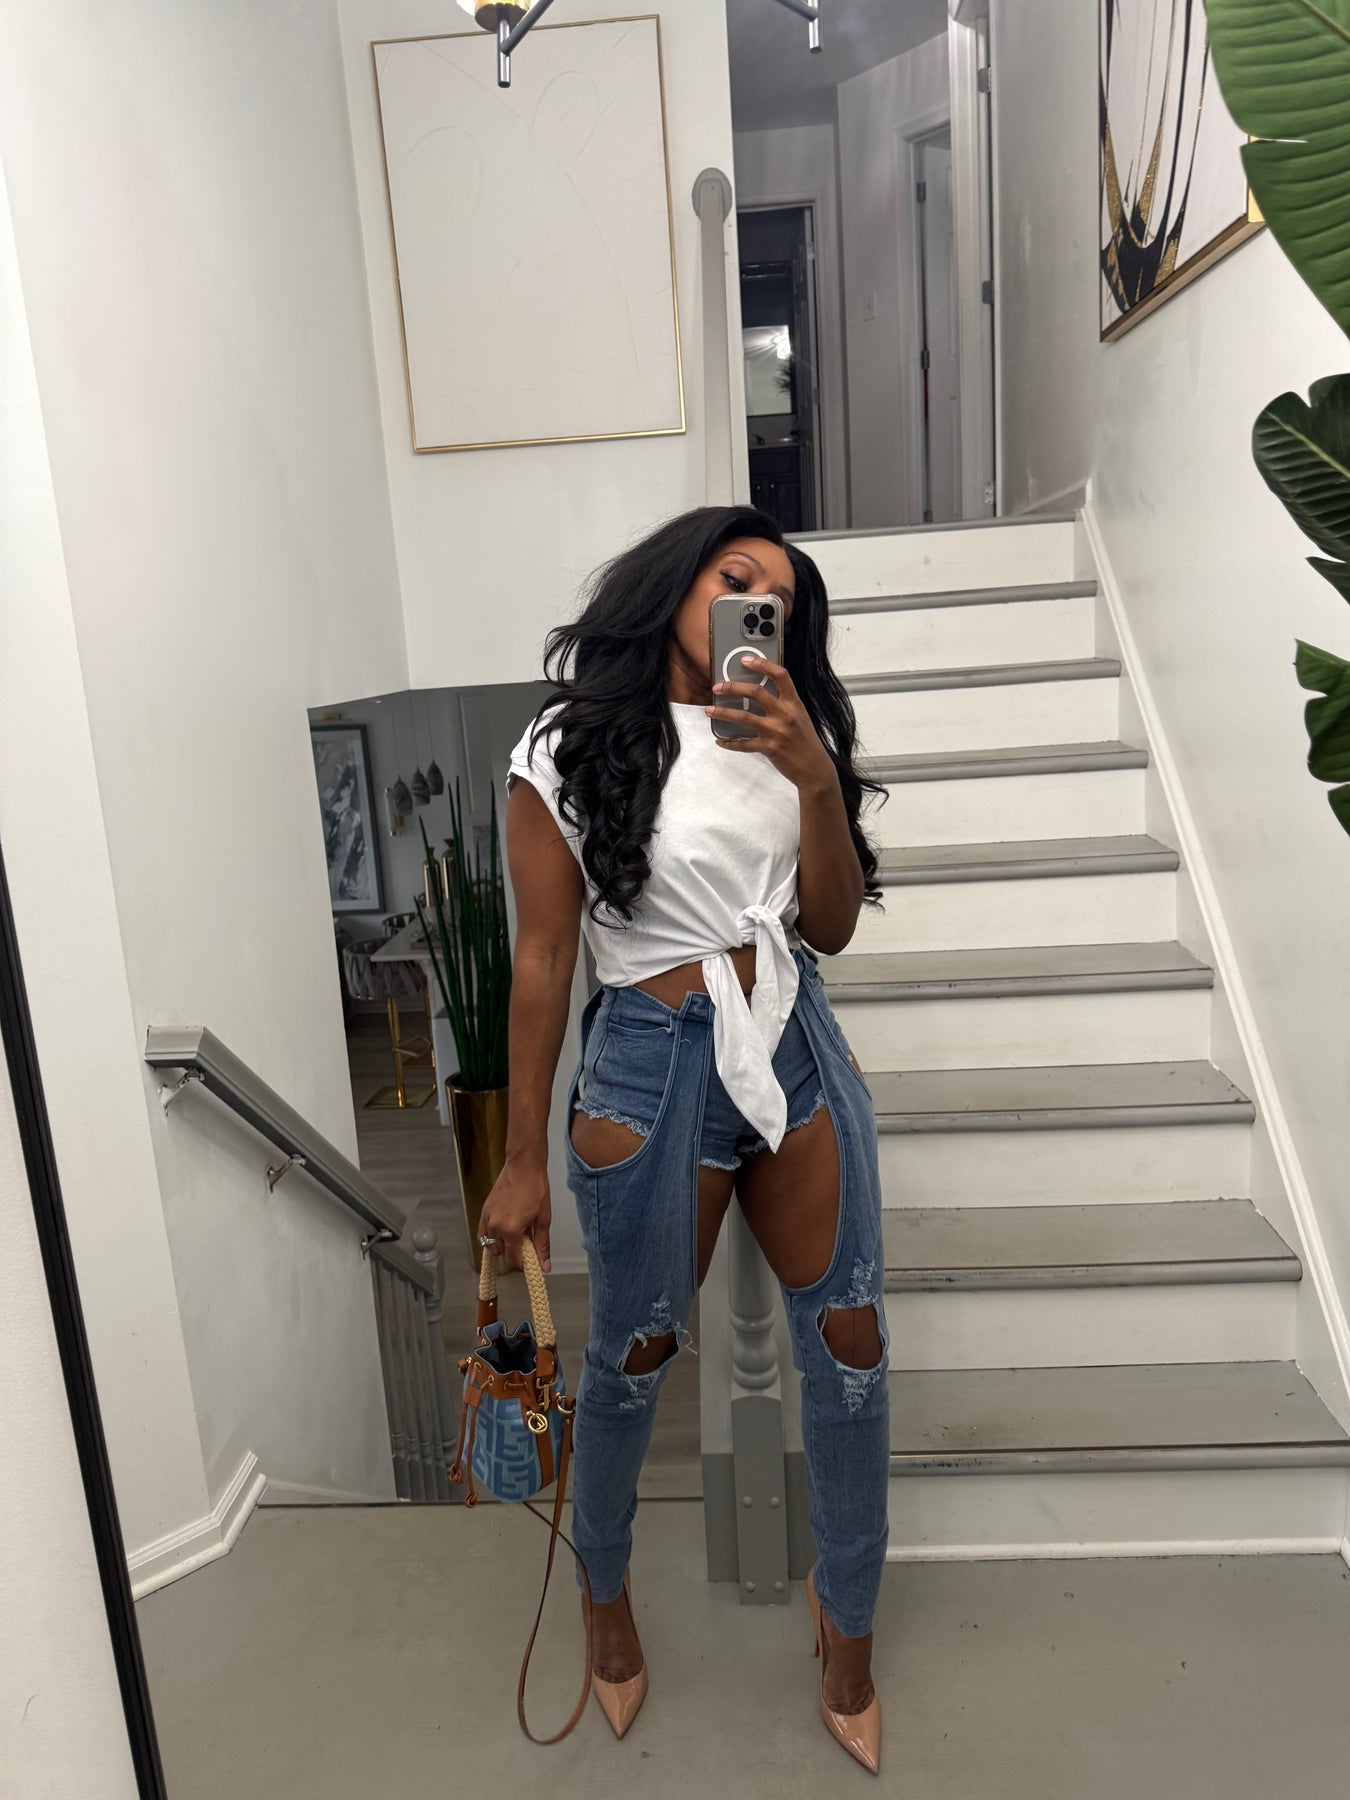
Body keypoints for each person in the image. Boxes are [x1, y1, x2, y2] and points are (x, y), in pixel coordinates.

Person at [478, 504, 891, 1774]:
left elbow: (829, 926)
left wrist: (814, 775)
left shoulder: (788, 737)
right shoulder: (565, 744)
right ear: (678, 587)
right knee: (634, 1357)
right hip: (651, 1064)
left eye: (782, 599)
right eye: (737, 575)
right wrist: (521, 1155)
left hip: (792, 1042)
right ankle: (603, 1593)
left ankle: (848, 1623)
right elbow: (544, 957)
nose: (760, 605)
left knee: (852, 1342)